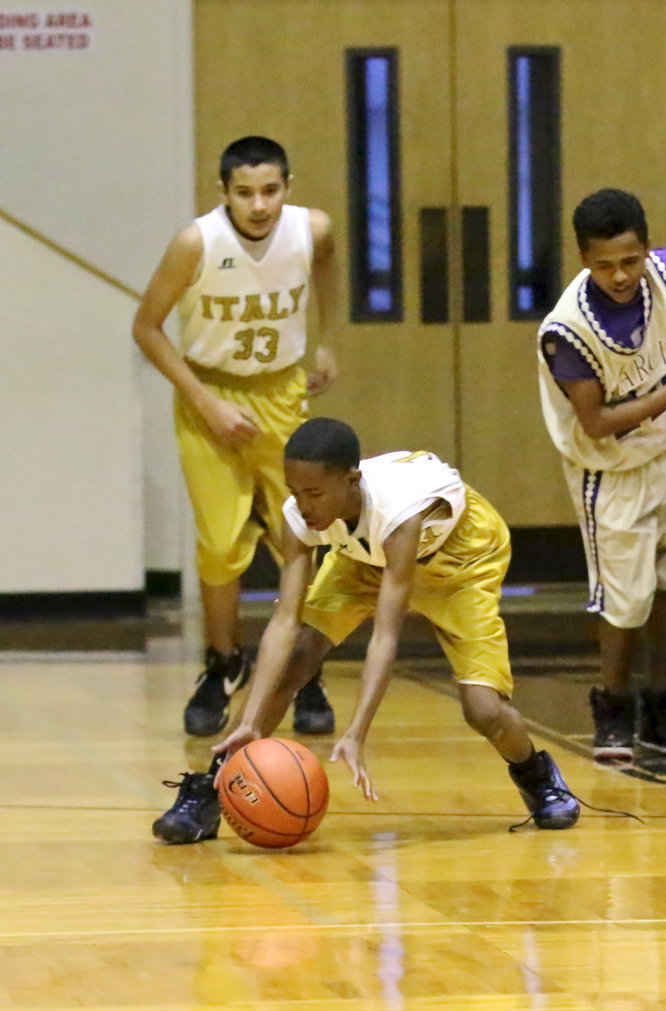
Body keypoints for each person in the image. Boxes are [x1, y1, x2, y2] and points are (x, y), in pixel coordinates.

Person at [152, 418, 580, 843]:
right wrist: (249, 719)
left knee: (484, 711)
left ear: (352, 481)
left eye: (314, 493)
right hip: (366, 559)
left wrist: (356, 732)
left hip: (461, 564)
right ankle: (210, 787)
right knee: (297, 657)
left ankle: (537, 776)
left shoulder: (398, 514)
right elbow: (284, 621)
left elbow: (385, 636)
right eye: (294, 491)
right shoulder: (301, 514)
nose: (303, 506)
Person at [133, 136, 338, 738]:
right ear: (222, 192)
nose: (258, 204)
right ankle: (222, 664)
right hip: (209, 397)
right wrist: (206, 402)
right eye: (244, 192)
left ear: (288, 188)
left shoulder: (313, 229)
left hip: (281, 395)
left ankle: (304, 669)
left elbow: (326, 266)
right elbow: (146, 327)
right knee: (221, 546)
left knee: (299, 537)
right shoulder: (195, 242)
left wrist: (326, 338)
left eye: (270, 191)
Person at [537, 188, 666, 765]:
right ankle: (613, 707)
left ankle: (664, 705)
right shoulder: (565, 332)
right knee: (624, 601)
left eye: (629, 261)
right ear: (583, 260)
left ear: (647, 250)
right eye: (603, 265)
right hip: (613, 470)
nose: (619, 275)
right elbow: (596, 423)